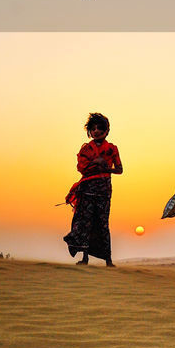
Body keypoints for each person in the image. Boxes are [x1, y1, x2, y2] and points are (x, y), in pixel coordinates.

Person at [64, 112, 123, 267]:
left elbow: (120, 170)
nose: (96, 131)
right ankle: (85, 259)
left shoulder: (112, 149)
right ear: (89, 131)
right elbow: (81, 168)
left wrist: (105, 168)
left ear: (106, 130)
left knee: (103, 223)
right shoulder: (86, 149)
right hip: (87, 189)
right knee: (86, 222)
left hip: (104, 190)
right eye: (93, 128)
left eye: (99, 128)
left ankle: (108, 260)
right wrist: (95, 162)